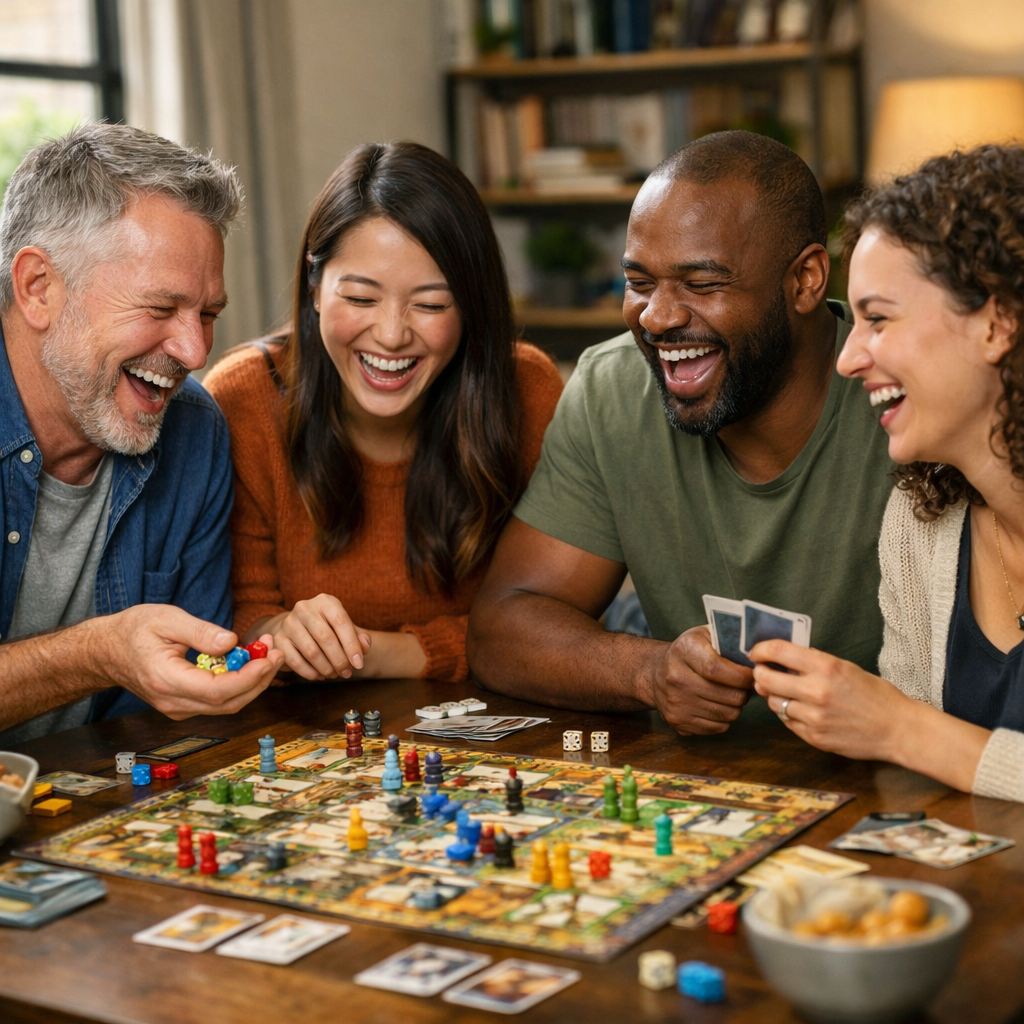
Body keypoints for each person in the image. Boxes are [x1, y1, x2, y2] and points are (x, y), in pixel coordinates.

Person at [467, 130, 894, 734]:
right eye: (639, 283)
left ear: (805, 280)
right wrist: (650, 671)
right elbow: (500, 631)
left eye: (702, 284)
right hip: (700, 790)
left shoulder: (901, 397)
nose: (657, 317)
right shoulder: (611, 390)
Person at [203, 142, 562, 683]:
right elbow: (236, 621)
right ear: (315, 287)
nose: (392, 335)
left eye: (432, 304)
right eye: (362, 298)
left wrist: (369, 655)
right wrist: (278, 632)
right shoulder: (244, 399)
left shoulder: (526, 392)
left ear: (471, 307)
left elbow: (551, 622)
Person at [750, 145, 1024, 802]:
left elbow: (910, 736)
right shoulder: (920, 519)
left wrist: (900, 727)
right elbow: (921, 795)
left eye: (877, 318)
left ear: (997, 322)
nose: (848, 358)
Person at [0, 124, 283, 745]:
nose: (195, 350)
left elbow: (188, 691)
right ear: (38, 288)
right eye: (160, 309)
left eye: (208, 314)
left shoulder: (195, 429)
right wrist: (97, 653)